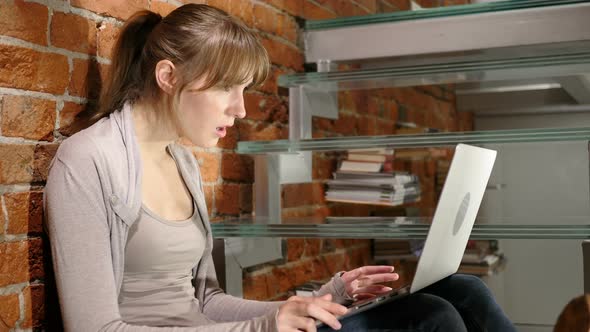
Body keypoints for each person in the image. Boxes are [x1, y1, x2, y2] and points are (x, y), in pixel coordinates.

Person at [43, 4, 516, 332]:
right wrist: (265, 326)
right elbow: (96, 327)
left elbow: (205, 303)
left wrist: (330, 295)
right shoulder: (89, 161)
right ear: (168, 77)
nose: (241, 109)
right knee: (430, 319)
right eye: (228, 88)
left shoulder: (181, 161)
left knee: (464, 289)